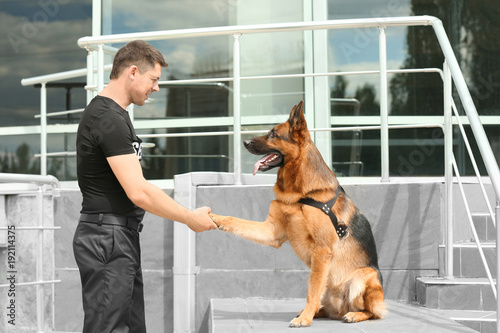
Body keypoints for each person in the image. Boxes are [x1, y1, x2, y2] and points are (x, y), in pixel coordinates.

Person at [73, 40, 217, 333]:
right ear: (134, 72)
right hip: (107, 238)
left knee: (131, 327)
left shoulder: (117, 116)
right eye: (154, 80)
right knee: (109, 328)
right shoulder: (106, 118)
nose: (157, 88)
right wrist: (190, 218)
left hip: (117, 236)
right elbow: (137, 190)